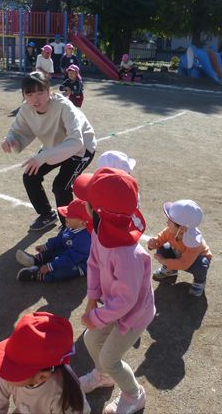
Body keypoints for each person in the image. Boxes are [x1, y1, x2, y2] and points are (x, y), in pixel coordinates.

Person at [74, 167, 155, 414]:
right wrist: (92, 299)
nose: (82, 203)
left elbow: (126, 300)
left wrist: (97, 316)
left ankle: (134, 395)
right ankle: (104, 376)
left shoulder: (128, 254)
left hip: (133, 315)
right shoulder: (101, 231)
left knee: (110, 358)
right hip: (114, 306)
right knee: (90, 339)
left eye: (87, 200)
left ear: (98, 211)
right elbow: (93, 264)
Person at [1, 72, 97, 231]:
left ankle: (70, 227)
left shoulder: (64, 106)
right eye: (29, 94)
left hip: (81, 149)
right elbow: (18, 130)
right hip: (54, 146)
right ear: (24, 95)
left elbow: (76, 141)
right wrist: (10, 139)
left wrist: (42, 157)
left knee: (61, 186)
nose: (35, 99)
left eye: (40, 92)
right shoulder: (26, 109)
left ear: (49, 91)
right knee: (30, 176)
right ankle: (47, 214)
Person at [0, 312, 90, 414]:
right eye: (7, 362)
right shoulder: (7, 373)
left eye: (13, 371)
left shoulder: (62, 396)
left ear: (42, 377)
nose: (4, 371)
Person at [147, 200, 212, 297]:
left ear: (181, 229)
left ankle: (199, 282)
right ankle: (171, 270)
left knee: (202, 264)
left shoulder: (194, 242)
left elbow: (184, 264)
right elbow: (160, 238)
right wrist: (154, 243)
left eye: (170, 220)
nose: (167, 222)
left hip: (192, 262)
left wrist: (164, 261)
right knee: (163, 248)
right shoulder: (171, 230)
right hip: (179, 255)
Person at [16, 198, 91, 282]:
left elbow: (70, 258)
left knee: (61, 273)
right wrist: (46, 246)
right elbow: (59, 239)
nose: (66, 216)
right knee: (52, 249)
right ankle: (33, 260)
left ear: (83, 222)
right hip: (66, 252)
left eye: (70, 216)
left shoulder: (85, 240)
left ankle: (36, 274)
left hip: (78, 263)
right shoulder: (71, 227)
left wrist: (51, 266)